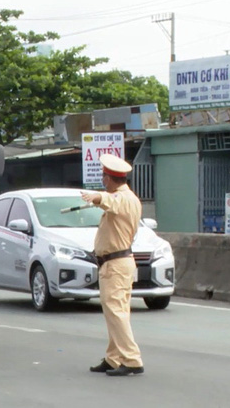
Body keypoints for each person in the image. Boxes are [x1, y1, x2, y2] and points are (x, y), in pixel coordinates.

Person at [81, 153, 144, 377]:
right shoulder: (126, 198)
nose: (102, 180)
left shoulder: (123, 199)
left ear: (108, 179)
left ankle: (132, 359)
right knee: (116, 312)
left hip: (116, 263)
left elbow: (109, 201)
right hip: (117, 262)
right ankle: (114, 357)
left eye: (103, 177)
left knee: (116, 312)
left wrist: (95, 197)